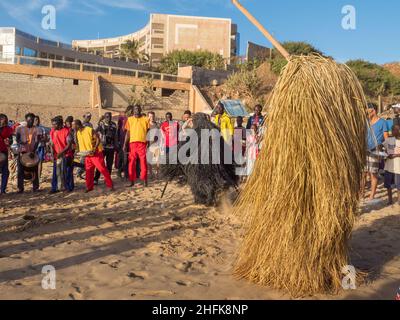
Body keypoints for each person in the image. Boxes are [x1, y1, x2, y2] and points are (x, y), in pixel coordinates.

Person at [73, 119, 113, 193]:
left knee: (102, 169)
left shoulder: (89, 130)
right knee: (89, 171)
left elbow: (98, 139)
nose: (72, 127)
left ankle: (110, 185)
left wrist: (94, 149)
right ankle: (89, 187)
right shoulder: (78, 132)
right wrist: (77, 151)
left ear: (77, 125)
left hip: (96, 153)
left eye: (73, 125)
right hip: (87, 154)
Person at [364, 103, 389, 201]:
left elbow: (386, 138)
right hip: (365, 151)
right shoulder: (366, 122)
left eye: (368, 110)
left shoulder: (382, 122)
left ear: (373, 110)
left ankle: (372, 195)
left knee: (373, 174)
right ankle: (361, 193)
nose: (366, 112)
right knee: (363, 173)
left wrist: (387, 152)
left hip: (376, 151)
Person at [124, 105, 150, 187]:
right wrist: (125, 144)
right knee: (131, 163)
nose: (137, 110)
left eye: (138, 109)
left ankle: (145, 180)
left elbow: (148, 132)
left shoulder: (146, 119)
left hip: (142, 143)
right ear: (133, 110)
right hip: (132, 144)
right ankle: (132, 181)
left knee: (143, 162)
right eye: (135, 109)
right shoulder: (130, 119)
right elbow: (128, 133)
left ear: (141, 109)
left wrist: (148, 143)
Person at [15, 113, 40, 193]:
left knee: (34, 170)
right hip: (22, 152)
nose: (31, 122)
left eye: (32, 120)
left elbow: (37, 141)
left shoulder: (37, 129)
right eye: (29, 120)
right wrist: (21, 142)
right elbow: (17, 139)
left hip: (32, 153)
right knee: (20, 171)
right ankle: (20, 188)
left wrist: (33, 151)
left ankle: (35, 187)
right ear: (26, 120)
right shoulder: (19, 129)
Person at [49, 117, 74, 193]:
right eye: (52, 124)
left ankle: (68, 187)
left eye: (54, 124)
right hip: (57, 155)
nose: (53, 126)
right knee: (55, 172)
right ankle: (54, 188)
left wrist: (61, 153)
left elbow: (69, 145)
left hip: (66, 155)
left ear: (59, 124)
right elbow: (51, 144)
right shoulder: (53, 131)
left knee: (67, 172)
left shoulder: (66, 132)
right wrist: (53, 154)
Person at [94, 112, 119, 185]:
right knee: (100, 164)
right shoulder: (101, 124)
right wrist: (99, 120)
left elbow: (115, 136)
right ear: (104, 117)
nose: (109, 118)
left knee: (109, 164)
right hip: (102, 147)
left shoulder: (114, 125)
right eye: (107, 117)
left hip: (111, 147)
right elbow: (94, 131)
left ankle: (107, 178)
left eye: (110, 117)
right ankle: (96, 179)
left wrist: (116, 145)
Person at [383, 124, 400, 205]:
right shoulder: (389, 140)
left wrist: (396, 155)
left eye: (397, 129)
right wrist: (385, 153)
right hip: (389, 166)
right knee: (388, 184)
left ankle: (399, 200)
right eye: (394, 130)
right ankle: (390, 200)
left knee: (398, 185)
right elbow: (381, 147)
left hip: (398, 167)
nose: (396, 131)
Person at [0, 114, 13, 195]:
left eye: (6, 120)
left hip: (4, 152)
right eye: (3, 120)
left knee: (5, 172)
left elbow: (11, 139)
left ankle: (3, 190)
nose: (5, 121)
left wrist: (9, 142)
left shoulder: (8, 129)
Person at [34, 115, 47, 181]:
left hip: (40, 147)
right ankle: (33, 177)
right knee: (33, 163)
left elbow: (45, 138)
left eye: (38, 119)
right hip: (33, 148)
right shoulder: (31, 128)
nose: (37, 121)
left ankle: (39, 177)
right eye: (35, 119)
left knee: (40, 162)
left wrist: (40, 139)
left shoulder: (42, 128)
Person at [148, 111, 160, 179]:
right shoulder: (146, 124)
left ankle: (157, 173)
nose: (151, 118)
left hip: (156, 145)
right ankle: (150, 174)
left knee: (158, 160)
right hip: (149, 144)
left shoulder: (157, 125)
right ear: (148, 117)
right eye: (150, 116)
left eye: (153, 116)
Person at [117, 111, 128, 180]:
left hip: (129, 140)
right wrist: (117, 141)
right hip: (122, 140)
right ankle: (120, 172)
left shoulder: (131, 119)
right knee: (122, 157)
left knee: (127, 158)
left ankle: (125, 173)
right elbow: (118, 129)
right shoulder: (122, 119)